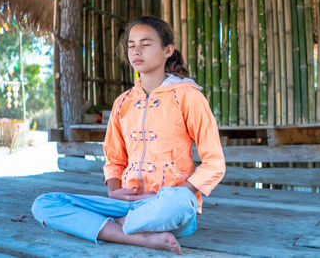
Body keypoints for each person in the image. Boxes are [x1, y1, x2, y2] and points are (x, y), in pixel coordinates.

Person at [31, 16, 225, 255]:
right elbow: (114, 159)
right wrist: (114, 190)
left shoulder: (187, 96)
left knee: (180, 202)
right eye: (131, 45)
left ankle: (111, 230)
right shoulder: (123, 102)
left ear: (167, 50)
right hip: (124, 205)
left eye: (145, 43)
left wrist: (180, 191)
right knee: (44, 204)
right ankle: (140, 237)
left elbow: (214, 163)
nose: (136, 51)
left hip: (168, 206)